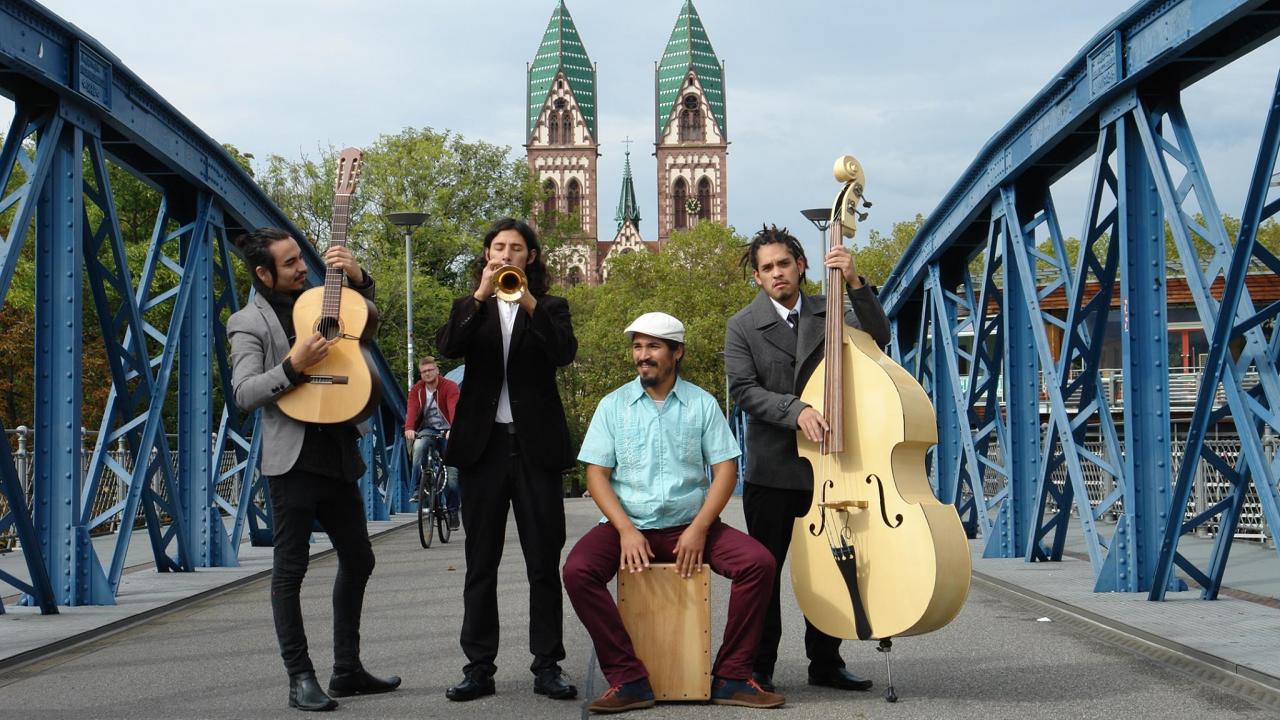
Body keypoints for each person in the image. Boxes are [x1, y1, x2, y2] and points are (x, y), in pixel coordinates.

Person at [564, 312, 785, 713]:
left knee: (759, 563)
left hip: (690, 525)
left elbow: (725, 470)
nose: (642, 356)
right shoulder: (613, 406)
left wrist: (700, 528)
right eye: (637, 346)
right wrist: (626, 530)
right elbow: (596, 474)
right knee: (577, 571)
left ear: (676, 352)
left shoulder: (701, 403)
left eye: (652, 346)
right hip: (627, 526)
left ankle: (732, 675)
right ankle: (628, 679)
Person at [227, 227, 401, 712]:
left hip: (338, 449)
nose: (303, 267)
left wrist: (359, 277)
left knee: (360, 558)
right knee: (291, 571)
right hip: (294, 462)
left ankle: (346, 669)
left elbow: (370, 323)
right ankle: (300, 678)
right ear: (263, 273)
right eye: (290, 264)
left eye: (301, 259)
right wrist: (292, 366)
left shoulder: (317, 301)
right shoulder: (247, 323)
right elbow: (243, 394)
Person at [723, 225, 891, 694]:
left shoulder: (832, 307)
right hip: (774, 467)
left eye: (784, 263)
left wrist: (855, 282)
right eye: (767, 268)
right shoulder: (741, 326)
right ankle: (760, 666)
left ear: (801, 266)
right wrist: (796, 411)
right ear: (757, 277)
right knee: (765, 570)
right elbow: (743, 391)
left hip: (833, 465)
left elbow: (879, 339)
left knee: (835, 560)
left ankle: (826, 661)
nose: (777, 273)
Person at [435, 217, 579, 702]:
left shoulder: (552, 307)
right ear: (487, 254)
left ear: (530, 257)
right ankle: (478, 666)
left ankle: (547, 665)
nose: (507, 255)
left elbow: (563, 354)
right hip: (484, 448)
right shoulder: (469, 307)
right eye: (498, 247)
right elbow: (447, 346)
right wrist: (480, 294)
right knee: (481, 563)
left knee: (543, 562)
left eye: (516, 248)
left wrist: (529, 302)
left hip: (535, 448)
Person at [403, 355, 460, 529]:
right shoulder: (417, 389)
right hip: (428, 429)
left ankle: (452, 511)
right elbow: (411, 409)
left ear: (437, 370)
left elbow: (454, 408)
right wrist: (409, 428)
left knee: (451, 476)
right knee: (419, 446)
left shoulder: (449, 387)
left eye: (430, 370)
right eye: (423, 372)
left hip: (448, 430)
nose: (427, 374)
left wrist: (454, 429)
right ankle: (417, 489)